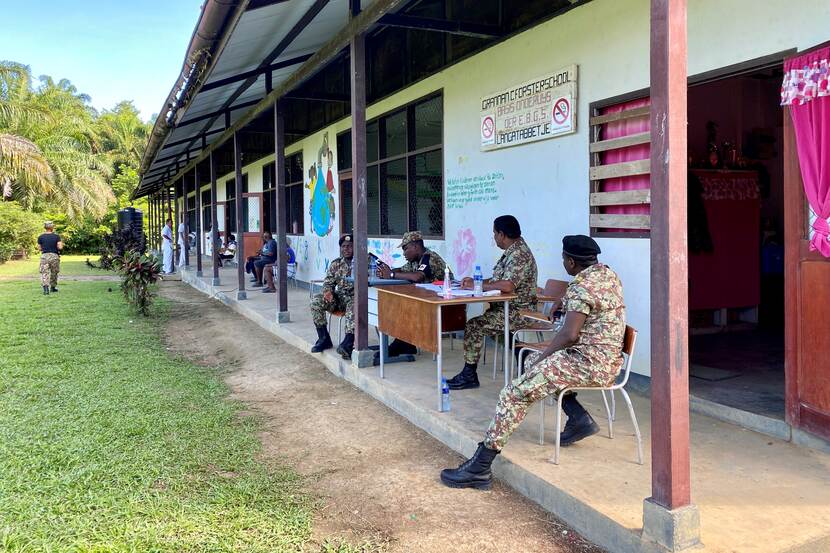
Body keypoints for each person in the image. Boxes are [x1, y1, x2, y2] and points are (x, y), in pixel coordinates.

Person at [440, 235, 626, 489]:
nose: (563, 263)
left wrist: (546, 355)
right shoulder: (606, 276)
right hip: (606, 359)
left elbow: (569, 334)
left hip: (587, 363)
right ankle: (579, 418)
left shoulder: (582, 287)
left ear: (571, 261)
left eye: (563, 259)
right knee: (531, 362)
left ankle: (480, 467)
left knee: (512, 394)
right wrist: (564, 303)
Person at [446, 215, 538, 391]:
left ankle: (469, 375)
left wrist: (478, 285)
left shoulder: (519, 254)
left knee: (474, 326)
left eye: (494, 234)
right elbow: (499, 280)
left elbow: (508, 285)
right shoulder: (513, 252)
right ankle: (524, 359)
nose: (494, 238)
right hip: (506, 309)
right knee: (490, 326)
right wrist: (476, 281)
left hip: (519, 312)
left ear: (502, 234)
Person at [376, 231, 452, 356]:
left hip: (443, 304)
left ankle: (403, 344)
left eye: (405, 249)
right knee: (399, 304)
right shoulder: (415, 260)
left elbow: (417, 277)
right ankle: (406, 344)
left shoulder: (429, 258)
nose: (403, 253)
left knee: (405, 307)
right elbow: (402, 270)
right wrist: (386, 270)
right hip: (428, 301)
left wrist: (390, 275)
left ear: (415, 247)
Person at [309, 234, 354, 358]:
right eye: (344, 246)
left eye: (350, 246)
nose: (346, 249)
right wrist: (327, 291)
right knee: (316, 301)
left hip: (357, 299)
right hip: (339, 299)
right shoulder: (336, 264)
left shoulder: (366, 261)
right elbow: (328, 282)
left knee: (354, 304)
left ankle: (348, 343)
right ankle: (324, 338)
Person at [37, 221, 63, 295]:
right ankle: (53, 287)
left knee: (44, 272)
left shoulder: (40, 237)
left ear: (45, 227)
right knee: (54, 272)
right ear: (52, 227)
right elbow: (60, 247)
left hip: (44, 256)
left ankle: (45, 289)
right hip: (54, 256)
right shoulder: (56, 236)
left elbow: (39, 248)